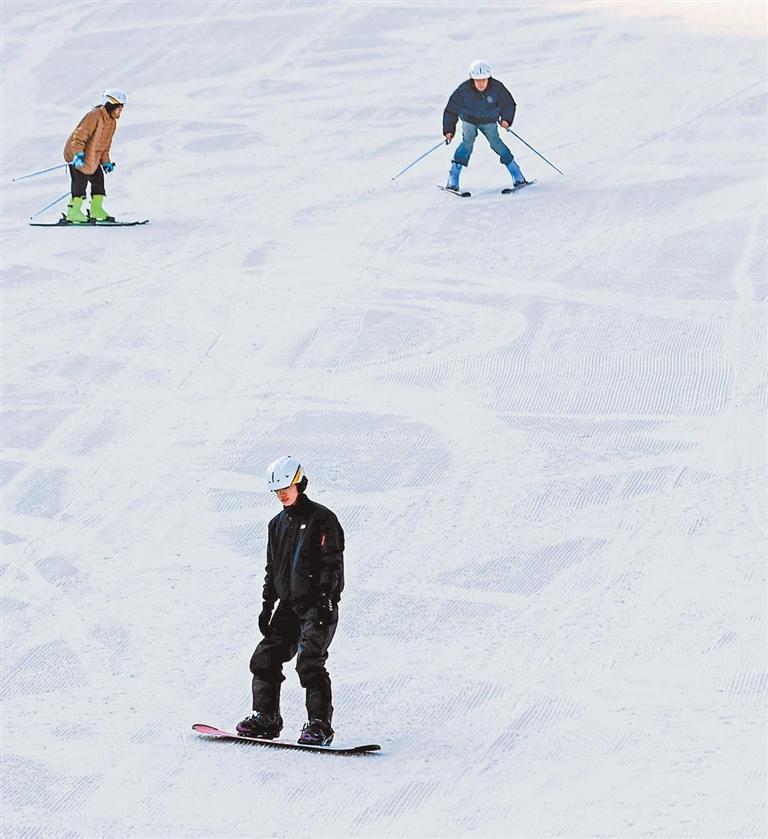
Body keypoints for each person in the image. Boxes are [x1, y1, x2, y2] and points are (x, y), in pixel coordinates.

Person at [237, 456, 345, 746]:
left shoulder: (323, 519)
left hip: (317, 606)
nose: (282, 495)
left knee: (309, 662)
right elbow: (273, 569)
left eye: (286, 488)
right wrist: (267, 606)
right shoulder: (276, 525)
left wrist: (327, 599)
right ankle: (266, 717)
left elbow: (332, 563)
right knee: (265, 658)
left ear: (300, 483)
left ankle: (319, 725)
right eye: (277, 491)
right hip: (288, 607)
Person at [442, 60, 529, 193]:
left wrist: (506, 119)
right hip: (469, 120)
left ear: (489, 78)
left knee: (496, 144)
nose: (481, 83)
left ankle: (517, 174)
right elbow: (451, 110)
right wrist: (449, 130)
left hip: (489, 120)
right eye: (478, 80)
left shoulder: (497, 88)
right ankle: (453, 178)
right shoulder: (464, 90)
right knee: (467, 143)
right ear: (472, 79)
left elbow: (508, 104)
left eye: (484, 80)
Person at [62, 88, 127, 223]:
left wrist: (106, 162)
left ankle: (96, 209)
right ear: (111, 105)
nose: (120, 111)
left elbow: (105, 146)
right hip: (77, 154)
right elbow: (79, 136)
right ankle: (73, 212)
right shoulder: (95, 115)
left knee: (98, 181)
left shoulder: (112, 122)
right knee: (80, 182)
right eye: (119, 108)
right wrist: (77, 154)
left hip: (92, 156)